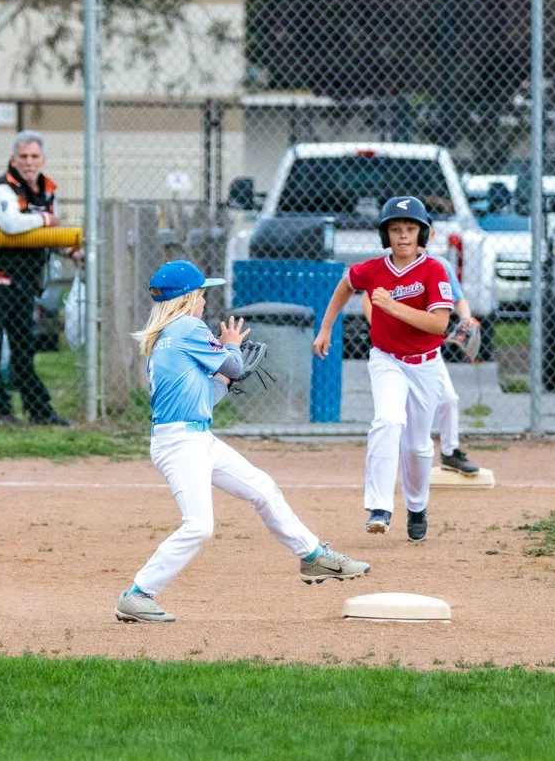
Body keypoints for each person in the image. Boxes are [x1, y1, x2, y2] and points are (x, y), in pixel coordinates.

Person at [115, 260, 371, 623]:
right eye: (202, 293)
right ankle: (138, 594)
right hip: (181, 444)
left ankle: (314, 556)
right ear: (188, 298)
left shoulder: (168, 337)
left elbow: (207, 395)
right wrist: (231, 346)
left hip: (195, 436)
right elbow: (234, 366)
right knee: (199, 526)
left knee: (261, 488)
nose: (204, 301)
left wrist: (222, 378)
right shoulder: (187, 326)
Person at [314, 197, 454, 542]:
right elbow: (347, 283)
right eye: (395, 229)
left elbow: (439, 325)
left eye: (410, 229)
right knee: (388, 421)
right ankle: (379, 507)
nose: (403, 236)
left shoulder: (435, 270)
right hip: (387, 359)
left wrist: (392, 307)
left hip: (425, 364)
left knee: (418, 446)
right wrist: (326, 327)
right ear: (385, 234)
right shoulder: (375, 269)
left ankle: (417, 506)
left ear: (422, 233)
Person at [0, 130, 71, 426]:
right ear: (14, 159)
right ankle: (0, 410)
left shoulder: (47, 191)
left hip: (24, 280)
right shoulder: (2, 189)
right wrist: (44, 219)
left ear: (43, 160)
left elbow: (51, 232)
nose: (29, 162)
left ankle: (38, 411)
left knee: (23, 348)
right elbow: (11, 224)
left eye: (34, 157)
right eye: (23, 157)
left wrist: (69, 250)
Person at [361, 254, 480, 476]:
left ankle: (450, 452)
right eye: (401, 228)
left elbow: (458, 298)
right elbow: (367, 299)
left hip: (427, 354)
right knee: (393, 417)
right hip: (393, 353)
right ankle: (395, 460)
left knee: (449, 399)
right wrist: (380, 325)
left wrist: (466, 318)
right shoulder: (389, 264)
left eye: (416, 228)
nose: (408, 235)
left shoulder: (438, 266)